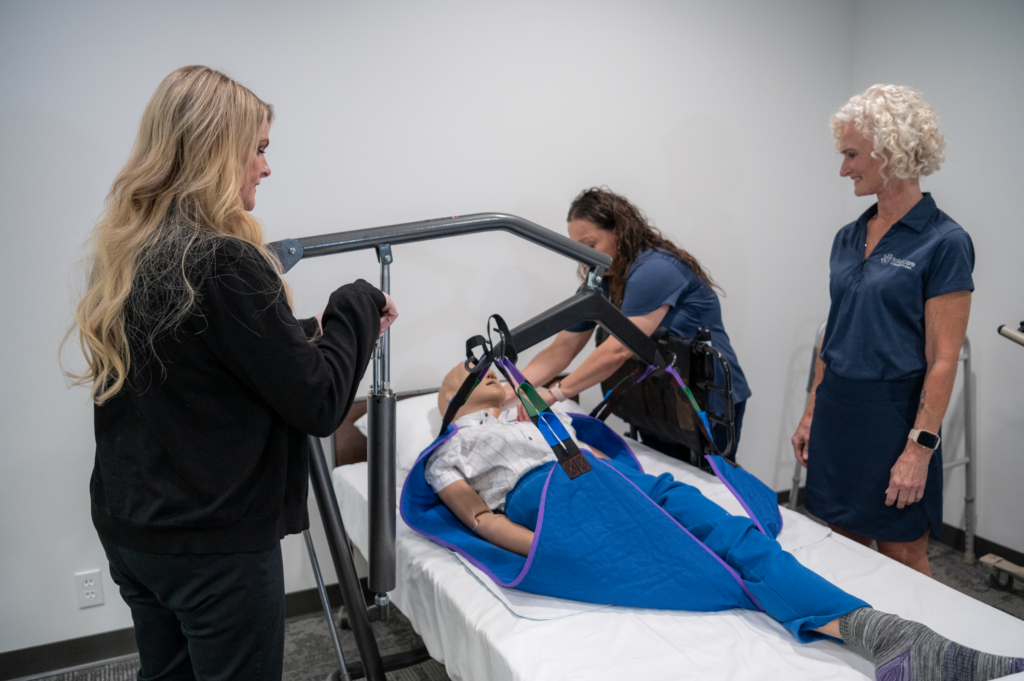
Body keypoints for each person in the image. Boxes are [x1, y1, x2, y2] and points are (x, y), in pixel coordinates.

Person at [63, 66, 397, 680]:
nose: (266, 168)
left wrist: (310, 333)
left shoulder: (131, 248)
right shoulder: (221, 260)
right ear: (217, 150)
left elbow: (208, 362)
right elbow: (319, 402)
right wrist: (357, 302)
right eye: (260, 149)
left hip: (135, 530)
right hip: (212, 549)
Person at [423, 362, 1021, 681]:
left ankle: (887, 638)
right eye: (471, 373)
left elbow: (590, 459)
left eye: (497, 371)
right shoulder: (447, 453)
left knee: (735, 538)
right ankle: (895, 641)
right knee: (721, 563)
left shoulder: (536, 420)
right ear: (450, 398)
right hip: (558, 506)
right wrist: (547, 548)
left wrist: (607, 468)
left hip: (607, 484)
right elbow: (478, 518)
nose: (492, 374)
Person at [791, 85, 973, 577]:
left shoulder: (944, 242)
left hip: (894, 419)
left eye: (851, 155)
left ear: (890, 152)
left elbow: (943, 358)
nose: (844, 168)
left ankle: (922, 653)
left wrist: (919, 449)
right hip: (837, 410)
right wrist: (812, 411)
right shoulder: (848, 237)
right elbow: (836, 332)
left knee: (902, 553)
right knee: (839, 541)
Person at [512, 188, 751, 462]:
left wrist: (556, 392)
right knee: (665, 472)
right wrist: (514, 390)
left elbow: (619, 350)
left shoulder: (655, 270)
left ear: (620, 231)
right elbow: (563, 347)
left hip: (705, 396)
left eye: (590, 246)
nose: (584, 258)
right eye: (577, 250)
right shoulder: (603, 281)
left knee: (707, 480)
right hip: (661, 397)